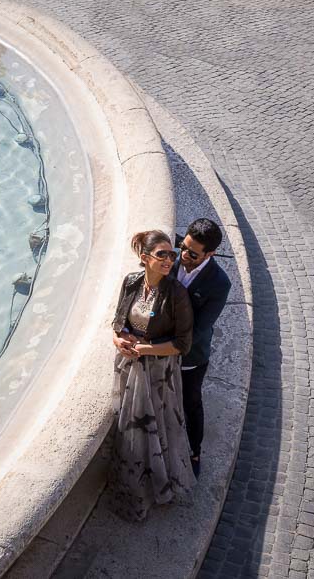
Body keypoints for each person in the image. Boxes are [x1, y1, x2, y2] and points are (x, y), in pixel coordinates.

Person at [103, 230, 195, 521]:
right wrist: (118, 339)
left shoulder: (176, 293)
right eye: (162, 255)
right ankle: (132, 482)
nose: (170, 260)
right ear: (145, 258)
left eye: (172, 254)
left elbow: (182, 344)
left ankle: (160, 482)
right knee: (130, 423)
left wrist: (144, 349)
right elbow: (119, 320)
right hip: (131, 364)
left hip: (158, 369)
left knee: (159, 424)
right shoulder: (131, 281)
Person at [173, 218, 232, 478]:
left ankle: (195, 451)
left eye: (193, 254)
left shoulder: (220, 284)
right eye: (183, 247)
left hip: (191, 357)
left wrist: (165, 347)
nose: (184, 255)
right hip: (163, 346)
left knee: (191, 402)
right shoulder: (173, 256)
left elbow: (200, 328)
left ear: (211, 253)